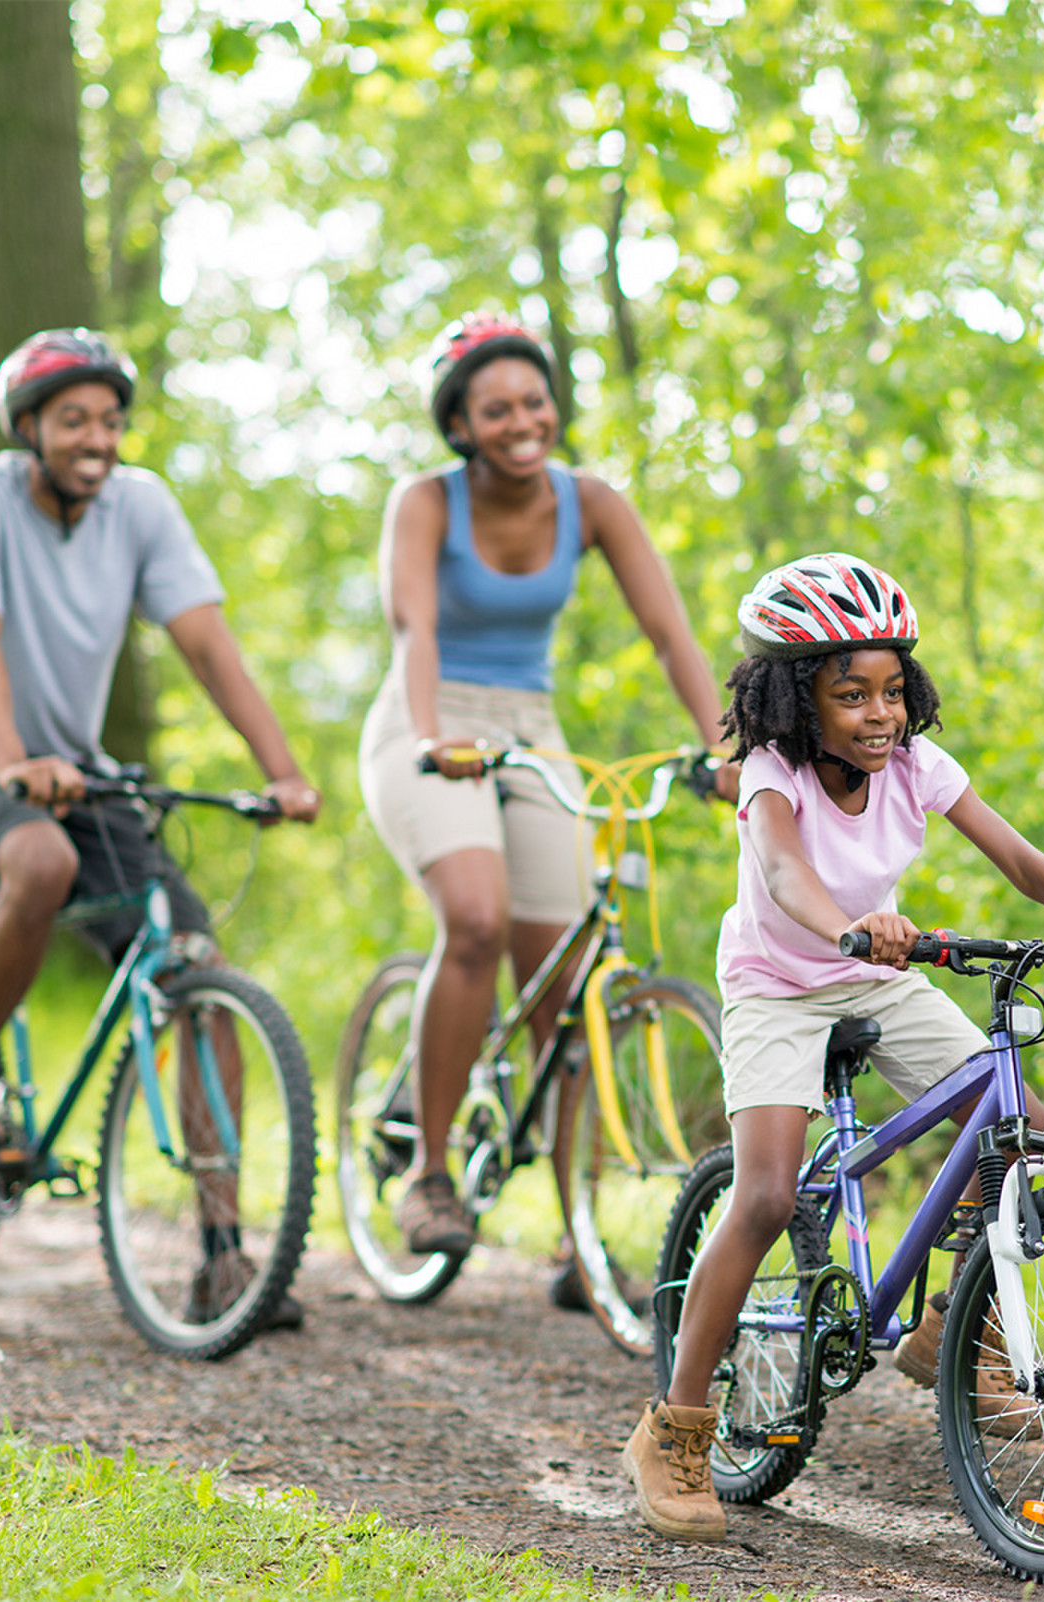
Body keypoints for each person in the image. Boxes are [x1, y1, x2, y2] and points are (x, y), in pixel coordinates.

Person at [619, 552, 1044, 1541]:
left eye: (893, 690)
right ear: (797, 700)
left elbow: (1020, 859)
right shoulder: (770, 775)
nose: (879, 714)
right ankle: (676, 1427)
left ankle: (957, 1335)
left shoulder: (917, 765)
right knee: (763, 1195)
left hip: (877, 969)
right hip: (778, 983)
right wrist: (851, 920)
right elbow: (788, 876)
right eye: (852, 695)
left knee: (1022, 1129)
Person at [0, 327, 322, 1325]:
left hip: (76, 775)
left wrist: (283, 771)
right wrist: (8, 763)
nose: (98, 437)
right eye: (74, 418)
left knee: (196, 967)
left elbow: (206, 643)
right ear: (28, 427)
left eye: (112, 420)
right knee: (33, 858)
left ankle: (222, 1256)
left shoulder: (142, 507)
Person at [359, 314, 737, 1265]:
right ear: (459, 425)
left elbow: (669, 634)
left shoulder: (593, 502)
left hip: (530, 725)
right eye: (496, 409)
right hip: (428, 716)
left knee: (566, 980)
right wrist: (434, 733)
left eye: (535, 401)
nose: (522, 421)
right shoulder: (425, 503)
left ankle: (579, 1232)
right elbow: (415, 629)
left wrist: (727, 750)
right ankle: (429, 1173)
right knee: (478, 922)